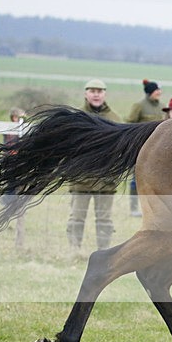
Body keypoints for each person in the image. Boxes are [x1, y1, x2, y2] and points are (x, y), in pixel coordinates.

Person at [66, 79, 122, 251]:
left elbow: (120, 149)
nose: (96, 94)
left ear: (105, 94)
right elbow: (69, 146)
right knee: (76, 217)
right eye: (92, 91)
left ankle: (103, 251)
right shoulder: (76, 117)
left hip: (106, 179)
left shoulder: (115, 118)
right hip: (81, 177)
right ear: (86, 94)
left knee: (104, 219)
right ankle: (74, 250)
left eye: (100, 91)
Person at [125, 79, 164, 216]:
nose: (159, 92)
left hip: (157, 148)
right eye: (156, 90)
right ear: (150, 92)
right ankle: (134, 207)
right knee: (136, 180)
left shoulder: (162, 107)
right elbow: (129, 124)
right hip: (140, 147)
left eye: (160, 90)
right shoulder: (139, 106)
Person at [1, 107, 27, 248]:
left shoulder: (23, 130)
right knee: (11, 184)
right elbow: (8, 145)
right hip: (11, 160)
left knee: (16, 185)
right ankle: (8, 201)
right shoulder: (9, 130)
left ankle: (10, 202)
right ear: (13, 118)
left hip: (19, 161)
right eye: (18, 117)